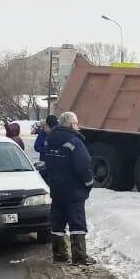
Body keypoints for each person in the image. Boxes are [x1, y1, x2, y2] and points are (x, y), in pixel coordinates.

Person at [41, 111, 96, 265]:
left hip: (57, 190)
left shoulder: (49, 140)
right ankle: (79, 256)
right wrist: (88, 183)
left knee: (57, 223)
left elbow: (47, 164)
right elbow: (83, 166)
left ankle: (59, 255)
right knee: (77, 223)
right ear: (72, 124)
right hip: (74, 191)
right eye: (77, 123)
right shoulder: (74, 142)